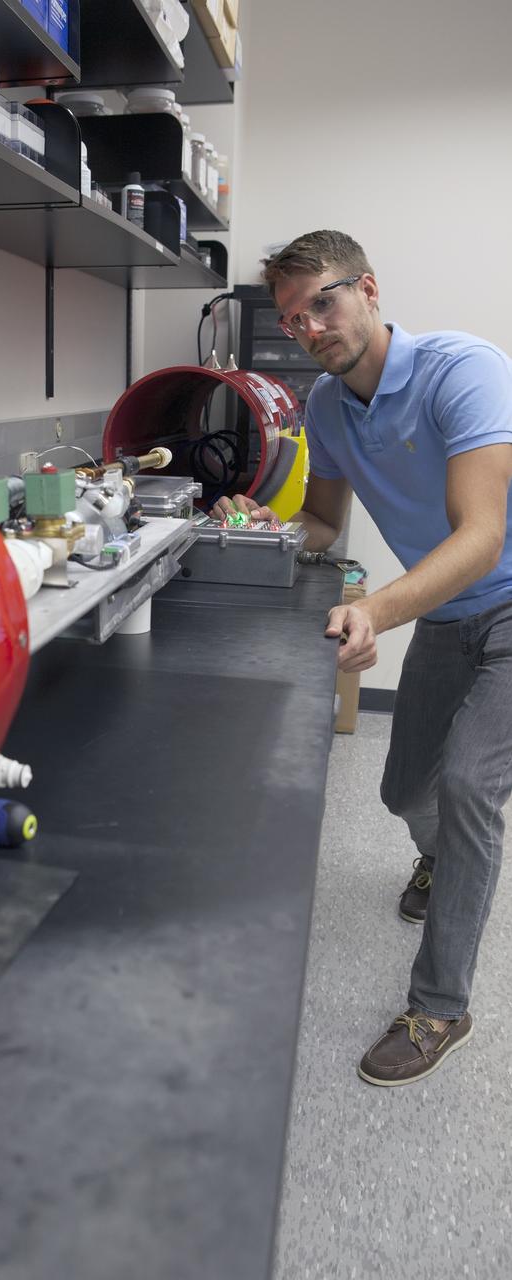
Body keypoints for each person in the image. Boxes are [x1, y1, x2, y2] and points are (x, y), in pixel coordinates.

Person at [212, 230, 512, 1087]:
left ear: (368, 290)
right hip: (448, 618)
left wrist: (373, 607)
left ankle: (440, 1008)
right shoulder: (327, 408)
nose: (308, 326)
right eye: (291, 316)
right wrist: (260, 525)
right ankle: (442, 857)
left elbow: (482, 538)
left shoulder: (462, 370)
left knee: (466, 790)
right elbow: (321, 524)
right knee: (402, 789)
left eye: (324, 302)